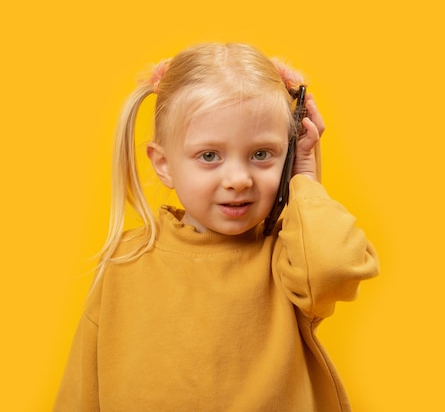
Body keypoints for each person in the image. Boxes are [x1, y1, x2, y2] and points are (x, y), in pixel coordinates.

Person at [54, 42, 379, 412]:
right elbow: (80, 392)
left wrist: (304, 176)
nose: (239, 179)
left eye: (261, 154)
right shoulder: (124, 264)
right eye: (209, 156)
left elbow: (335, 266)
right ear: (164, 165)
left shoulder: (291, 261)